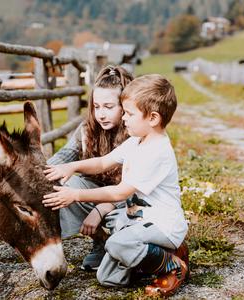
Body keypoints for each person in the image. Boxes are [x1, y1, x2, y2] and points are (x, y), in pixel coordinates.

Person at [43, 74, 189, 297]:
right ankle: (161, 254)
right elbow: (103, 162)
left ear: (153, 118)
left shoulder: (157, 151)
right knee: (107, 278)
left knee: (117, 244)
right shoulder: (136, 141)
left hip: (162, 225)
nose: (124, 119)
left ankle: (172, 265)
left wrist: (75, 194)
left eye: (129, 114)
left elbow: (120, 192)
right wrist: (71, 167)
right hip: (139, 221)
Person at [47, 65, 133, 271]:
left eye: (109, 107)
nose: (101, 114)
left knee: (128, 211)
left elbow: (135, 187)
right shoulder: (87, 130)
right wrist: (36, 173)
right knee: (62, 186)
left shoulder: (134, 132)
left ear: (125, 106)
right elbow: (63, 158)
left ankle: (124, 248)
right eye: (97, 106)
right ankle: (102, 242)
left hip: (127, 197)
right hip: (97, 192)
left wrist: (101, 209)